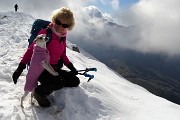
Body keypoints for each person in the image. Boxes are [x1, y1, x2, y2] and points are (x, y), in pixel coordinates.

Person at [12, 7, 80, 107]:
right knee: (59, 83)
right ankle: (39, 92)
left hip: (53, 68)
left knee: (75, 81)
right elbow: (31, 51)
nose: (60, 27)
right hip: (41, 69)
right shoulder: (45, 33)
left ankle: (51, 83)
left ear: (68, 26)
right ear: (54, 19)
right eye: (58, 22)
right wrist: (20, 68)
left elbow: (63, 54)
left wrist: (71, 67)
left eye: (65, 25)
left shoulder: (63, 36)